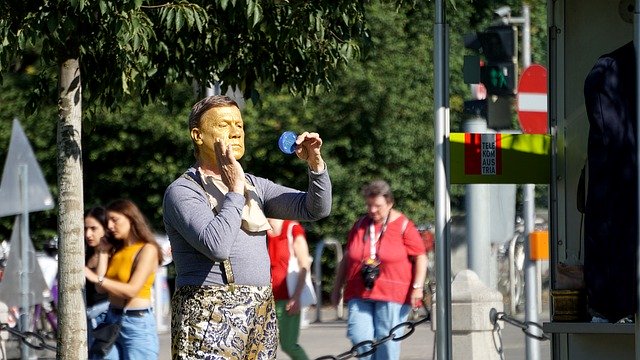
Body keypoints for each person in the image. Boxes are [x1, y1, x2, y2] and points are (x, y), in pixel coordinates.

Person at [163, 95, 331, 359]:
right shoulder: (183, 190)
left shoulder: (256, 185)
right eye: (224, 125)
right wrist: (235, 189)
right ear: (197, 135)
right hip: (209, 312)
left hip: (260, 309)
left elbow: (315, 208)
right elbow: (216, 246)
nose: (235, 133)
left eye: (239, 125)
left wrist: (315, 164)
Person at [330, 180, 427, 360]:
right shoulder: (360, 225)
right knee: (359, 337)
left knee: (386, 341)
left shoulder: (403, 225)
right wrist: (337, 288)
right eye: (369, 205)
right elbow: (347, 257)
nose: (373, 210)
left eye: (378, 206)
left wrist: (417, 287)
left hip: (393, 294)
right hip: (360, 291)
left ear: (390, 203)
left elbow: (420, 256)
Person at [84, 199, 163, 359]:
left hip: (136, 323)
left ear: (131, 218)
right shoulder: (117, 250)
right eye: (108, 221)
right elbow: (100, 288)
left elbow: (132, 290)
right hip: (111, 319)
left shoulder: (147, 249)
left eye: (115, 220)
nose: (110, 226)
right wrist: (103, 252)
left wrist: (95, 278)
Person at [267, 218, 312, 360]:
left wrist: (296, 296)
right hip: (264, 298)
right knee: (262, 344)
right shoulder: (260, 230)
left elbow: (304, 264)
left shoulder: (292, 229)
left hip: (287, 298)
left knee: (288, 345)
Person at [84, 206, 114, 351]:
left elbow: (100, 285)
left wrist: (103, 250)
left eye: (93, 228)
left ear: (105, 228)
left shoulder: (110, 253)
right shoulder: (86, 253)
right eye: (85, 229)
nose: (88, 234)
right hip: (88, 316)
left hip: (104, 315)